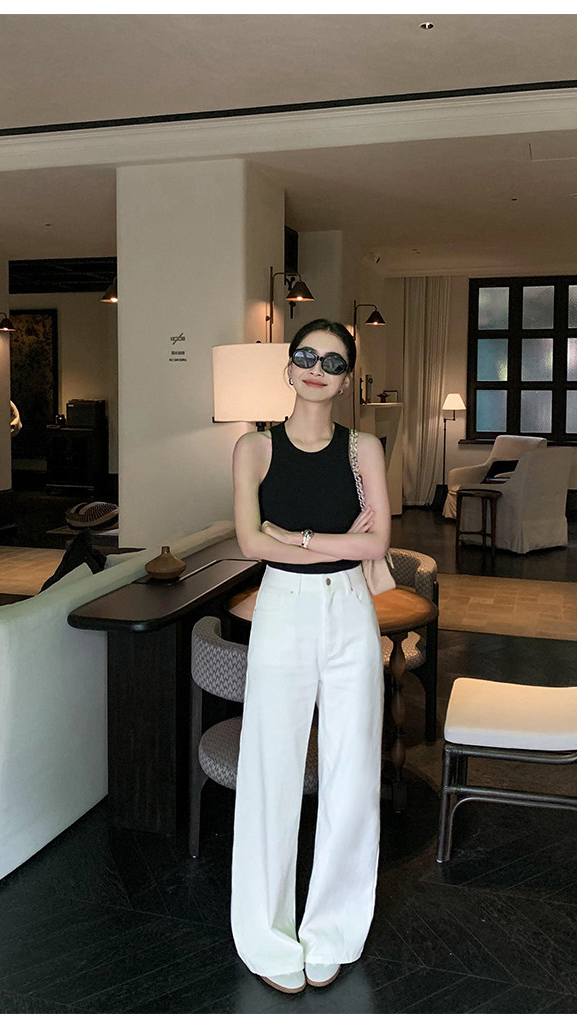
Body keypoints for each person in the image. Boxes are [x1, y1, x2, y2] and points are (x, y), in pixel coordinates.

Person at [230, 318, 390, 994]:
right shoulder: (253, 447)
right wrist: (331, 541)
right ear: (289, 367)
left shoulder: (364, 448)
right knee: (271, 767)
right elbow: (249, 543)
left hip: (350, 609)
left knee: (352, 769)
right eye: (306, 356)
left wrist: (292, 536)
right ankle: (266, 935)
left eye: (333, 361)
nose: (317, 369)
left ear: (347, 378)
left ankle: (333, 929)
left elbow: (376, 545)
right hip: (284, 610)